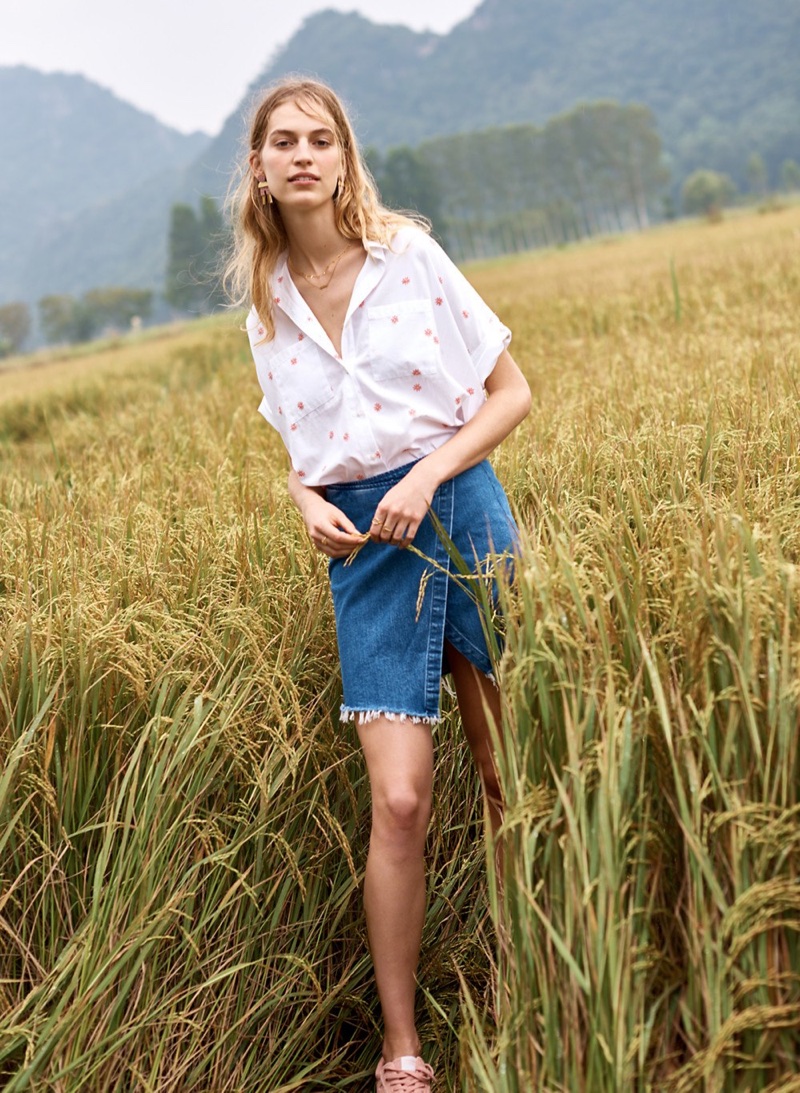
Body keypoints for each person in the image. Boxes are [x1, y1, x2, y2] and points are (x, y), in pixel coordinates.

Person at [226, 77, 531, 1092]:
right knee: (399, 801)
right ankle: (402, 1048)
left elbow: (509, 392)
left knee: (507, 782)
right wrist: (301, 498)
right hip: (363, 554)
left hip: (459, 510)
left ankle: (534, 980)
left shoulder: (408, 256)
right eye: (283, 142)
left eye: (321, 139)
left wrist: (428, 475)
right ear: (259, 169)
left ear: (345, 158)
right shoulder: (265, 305)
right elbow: (301, 447)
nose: (303, 155)